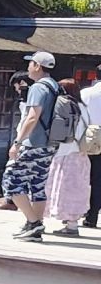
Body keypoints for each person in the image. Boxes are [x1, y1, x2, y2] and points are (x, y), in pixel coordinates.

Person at [5, 51, 61, 241]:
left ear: (37, 66)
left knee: (11, 181)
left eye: (31, 63)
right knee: (37, 185)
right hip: (49, 144)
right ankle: (35, 226)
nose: (28, 67)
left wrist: (17, 143)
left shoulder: (38, 88)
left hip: (34, 143)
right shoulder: (55, 86)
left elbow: (32, 116)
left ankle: (33, 223)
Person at [45, 78, 91, 237]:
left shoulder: (64, 107)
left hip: (65, 153)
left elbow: (58, 131)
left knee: (61, 188)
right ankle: (72, 224)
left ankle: (43, 220)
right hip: (81, 154)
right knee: (77, 190)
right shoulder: (83, 107)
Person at [0, 73, 33, 210]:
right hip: (25, 139)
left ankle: (12, 200)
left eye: (16, 86)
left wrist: (18, 142)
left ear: (21, 83)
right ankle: (12, 200)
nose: (16, 90)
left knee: (12, 170)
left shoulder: (32, 99)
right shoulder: (27, 100)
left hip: (26, 141)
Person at [83, 68, 101, 229]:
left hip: (90, 138)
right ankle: (93, 215)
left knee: (85, 177)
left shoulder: (86, 93)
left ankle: (86, 213)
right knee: (98, 180)